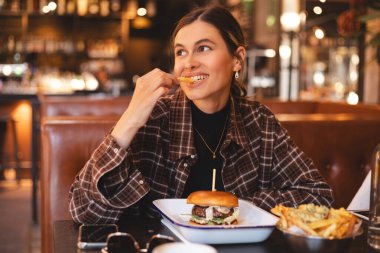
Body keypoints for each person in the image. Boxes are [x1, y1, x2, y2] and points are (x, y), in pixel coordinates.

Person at [69, 5, 334, 224]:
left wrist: (233, 209)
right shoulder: (154, 119)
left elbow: (317, 196)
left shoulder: (260, 123)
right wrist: (128, 121)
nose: (189, 62)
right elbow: (84, 212)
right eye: (181, 51)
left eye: (203, 48)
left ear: (237, 59)